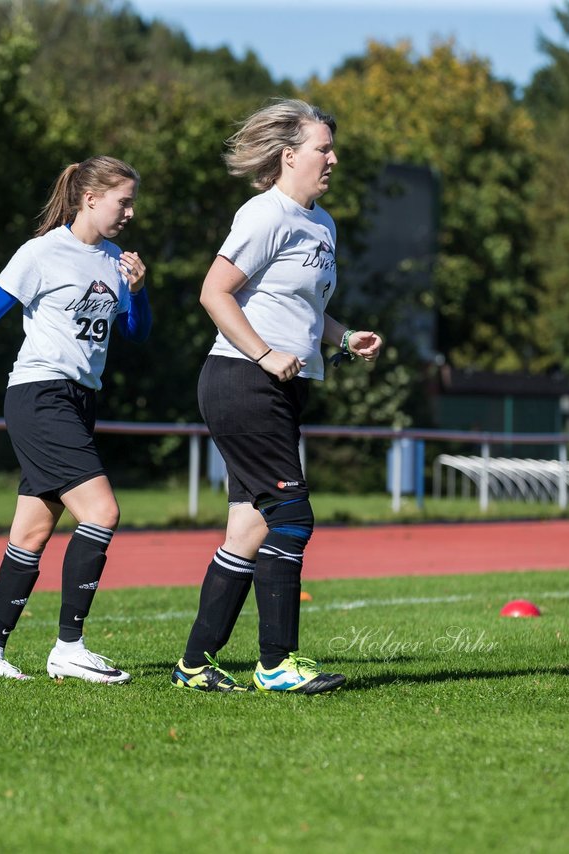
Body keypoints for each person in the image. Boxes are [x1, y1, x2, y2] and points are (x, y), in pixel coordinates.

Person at [171, 99, 382, 694]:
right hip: (242, 380)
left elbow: (300, 306)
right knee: (291, 515)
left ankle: (193, 666)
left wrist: (343, 335)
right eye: (323, 148)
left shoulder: (322, 222)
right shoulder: (265, 214)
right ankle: (276, 664)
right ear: (289, 156)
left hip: (282, 388)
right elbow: (215, 292)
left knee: (249, 529)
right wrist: (264, 354)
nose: (333, 158)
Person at [0, 156, 151, 684]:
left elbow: (136, 334)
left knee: (32, 533)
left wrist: (138, 290)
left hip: (81, 402)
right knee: (102, 513)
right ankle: (69, 648)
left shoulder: (114, 261)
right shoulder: (41, 253)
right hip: (40, 396)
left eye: (132, 202)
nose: (130, 211)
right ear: (89, 199)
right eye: (122, 201)